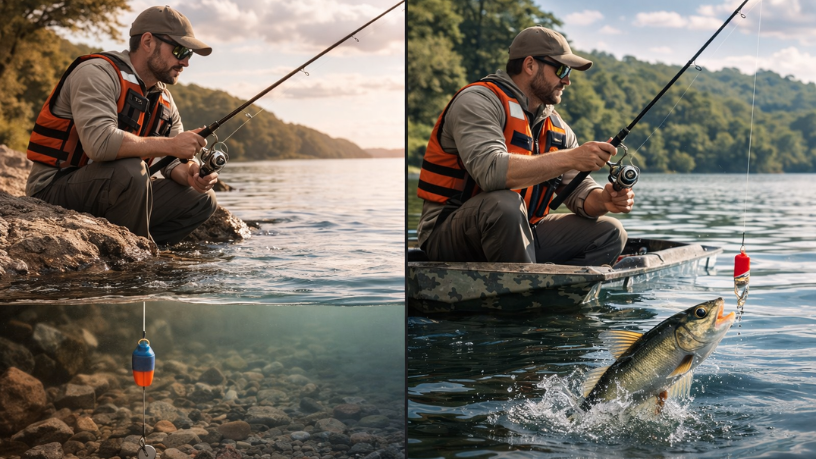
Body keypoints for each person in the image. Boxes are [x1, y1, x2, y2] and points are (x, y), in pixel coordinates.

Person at [416, 26, 635, 265]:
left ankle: (553, 292)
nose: (567, 80)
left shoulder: (558, 127)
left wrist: (604, 200)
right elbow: (491, 172)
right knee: (504, 205)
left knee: (610, 231)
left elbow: (579, 192)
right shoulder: (477, 101)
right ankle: (528, 292)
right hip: (448, 237)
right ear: (530, 65)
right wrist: (572, 157)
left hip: (521, 231)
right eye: (561, 69)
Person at [25, 6, 218, 245]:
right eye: (180, 50)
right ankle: (134, 264)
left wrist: (190, 174)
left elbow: (170, 161)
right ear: (147, 41)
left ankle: (143, 251)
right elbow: (100, 144)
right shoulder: (96, 73)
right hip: (54, 190)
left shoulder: (165, 99)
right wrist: (171, 145)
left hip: (117, 190)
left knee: (202, 198)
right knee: (130, 171)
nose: (186, 62)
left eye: (189, 53)